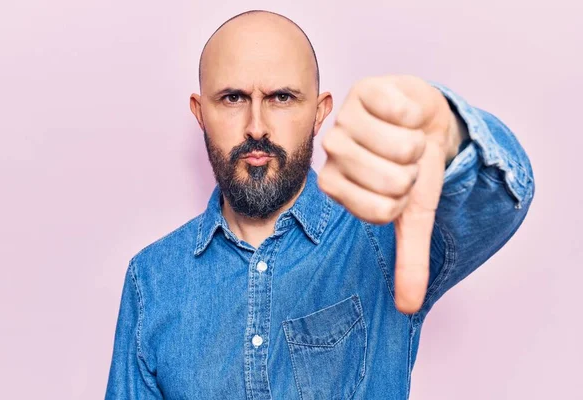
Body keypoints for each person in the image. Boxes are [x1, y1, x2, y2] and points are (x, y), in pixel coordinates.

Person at [105, 9, 535, 400]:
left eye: (282, 98)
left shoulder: (382, 236)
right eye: (233, 98)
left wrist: (452, 135)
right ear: (200, 112)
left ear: (319, 111)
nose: (256, 127)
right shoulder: (152, 279)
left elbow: (501, 198)